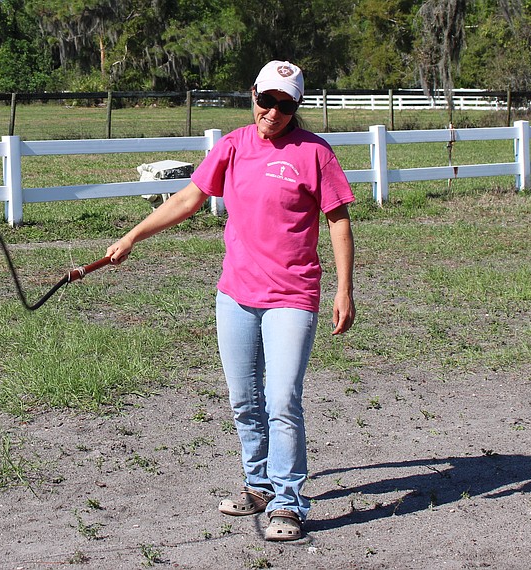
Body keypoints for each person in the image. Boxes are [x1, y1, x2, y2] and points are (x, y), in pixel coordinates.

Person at [105, 60, 356, 541]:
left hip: (292, 295)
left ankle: (288, 502)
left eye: (286, 104)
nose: (275, 111)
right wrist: (133, 236)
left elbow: (338, 222)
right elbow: (187, 198)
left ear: (297, 107)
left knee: (282, 399)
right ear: (253, 95)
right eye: (268, 100)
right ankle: (258, 485)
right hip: (236, 295)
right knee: (245, 400)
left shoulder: (315, 153)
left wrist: (345, 289)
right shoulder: (233, 146)